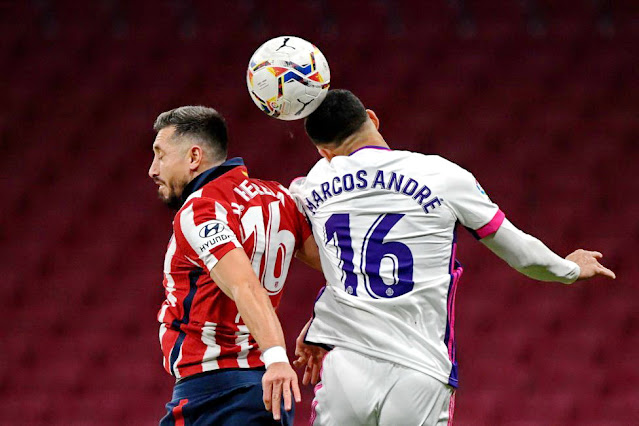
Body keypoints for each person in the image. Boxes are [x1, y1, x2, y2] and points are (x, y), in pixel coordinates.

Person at [289, 89, 616, 426]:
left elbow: (327, 252)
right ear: (372, 117)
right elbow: (522, 254)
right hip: (420, 369)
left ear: (324, 152)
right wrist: (571, 268)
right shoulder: (443, 175)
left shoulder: (313, 184)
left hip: (346, 367)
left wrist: (322, 317)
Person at [148, 106, 318, 425]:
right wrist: (324, 319)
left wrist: (277, 359)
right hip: (255, 391)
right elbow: (340, 273)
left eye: (160, 154)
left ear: (194, 157)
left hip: (218, 395)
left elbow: (244, 285)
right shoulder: (278, 197)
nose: (153, 169)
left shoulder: (201, 209)